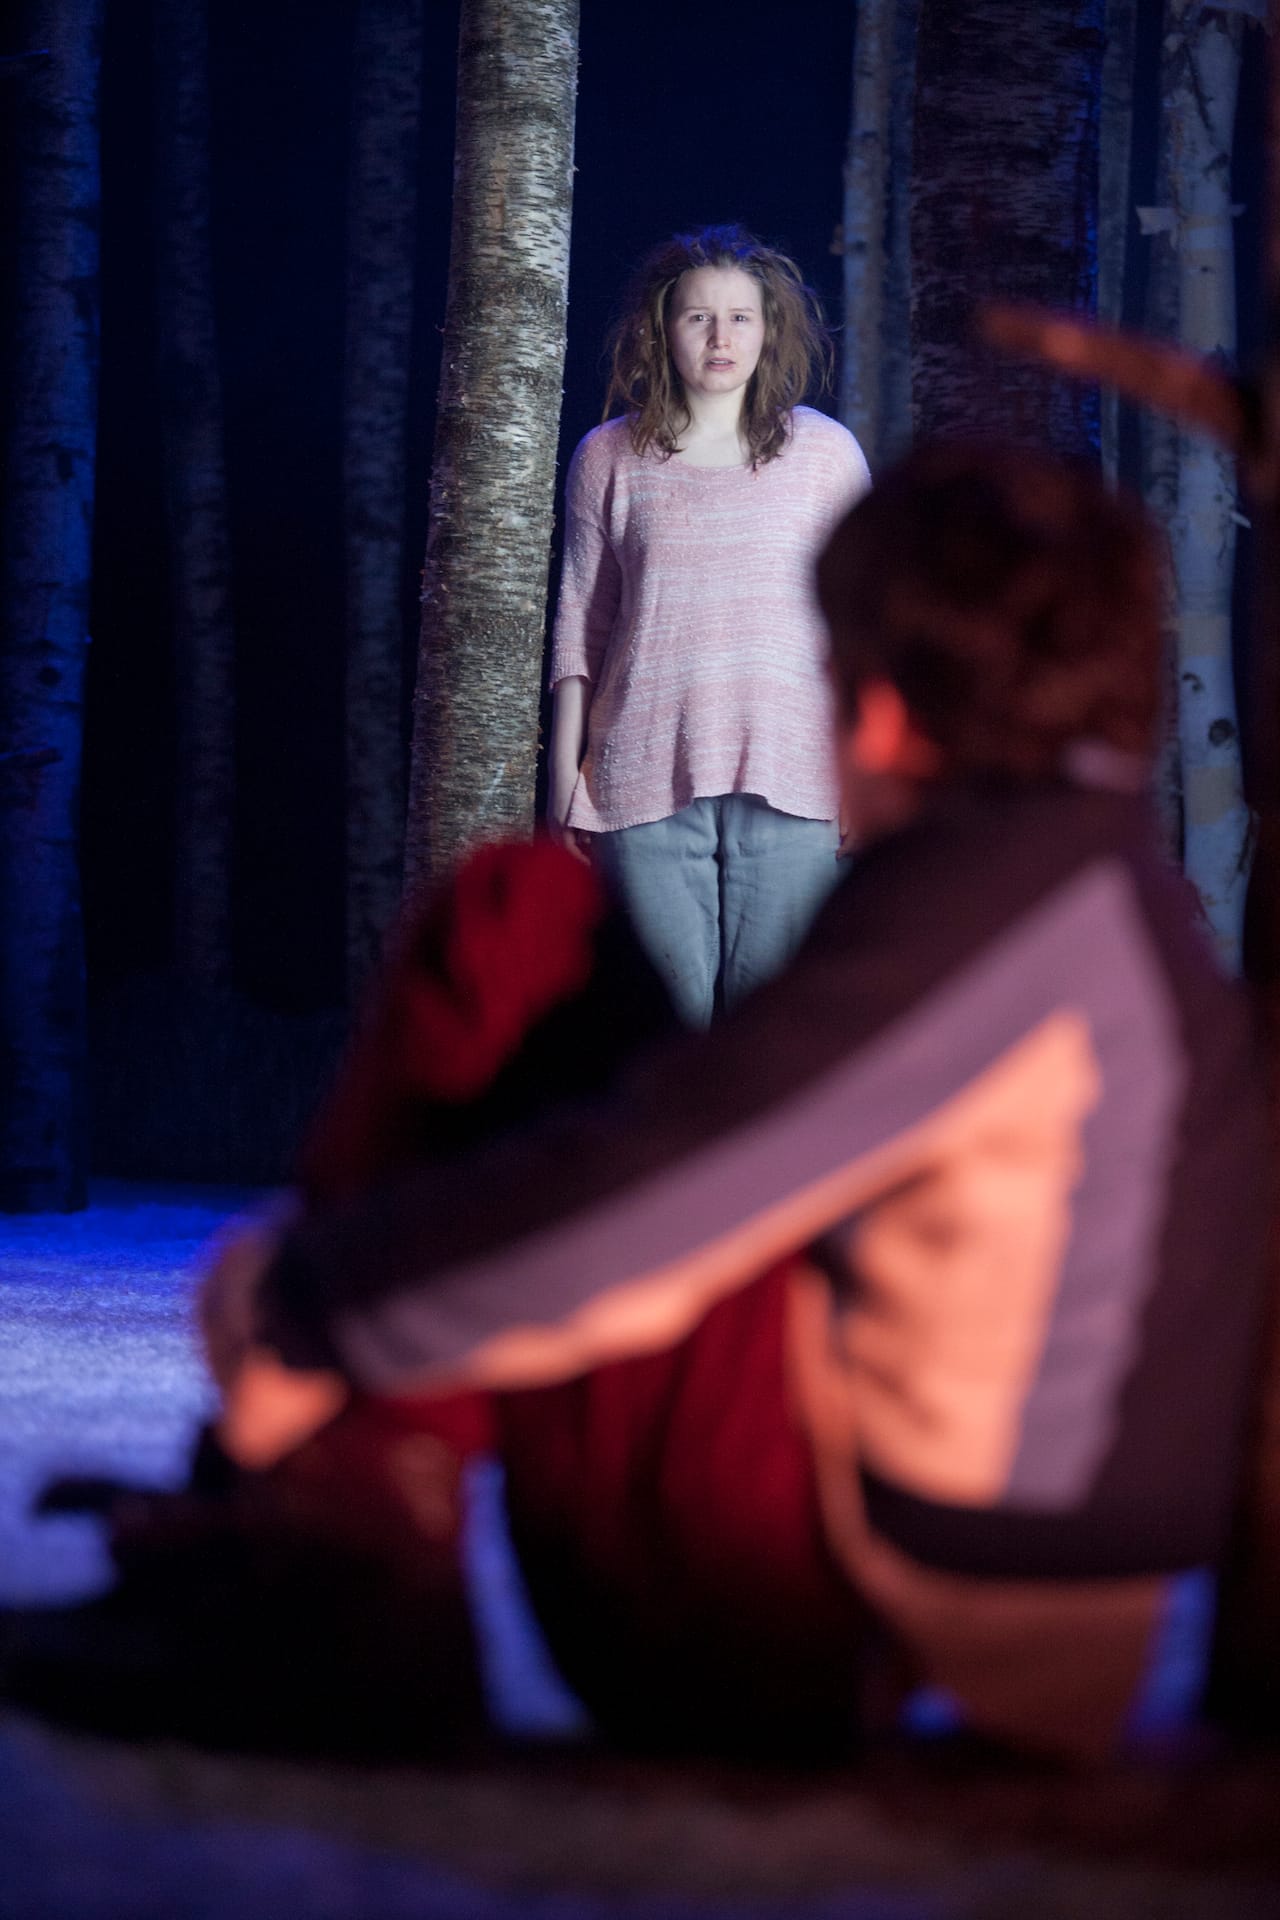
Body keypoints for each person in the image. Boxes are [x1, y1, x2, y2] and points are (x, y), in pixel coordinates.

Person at [16, 446, 1268, 1769]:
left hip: (817, 1607)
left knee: (513, 921)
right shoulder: (1112, 890)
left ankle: (333, 1576)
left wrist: (317, 1306)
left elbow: (666, 1195)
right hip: (1012, 1596)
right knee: (588, 1012)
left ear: (884, 715)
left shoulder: (991, 904)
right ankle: (337, 1546)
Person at [547, 223, 871, 1026]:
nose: (721, 337)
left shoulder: (826, 456)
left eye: (741, 317)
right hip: (638, 780)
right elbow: (581, 626)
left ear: (770, 330)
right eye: (698, 317)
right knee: (661, 1038)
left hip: (798, 778)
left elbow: (867, 621)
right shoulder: (607, 457)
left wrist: (867, 773)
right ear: (663, 329)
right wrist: (560, 788)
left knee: (772, 1039)